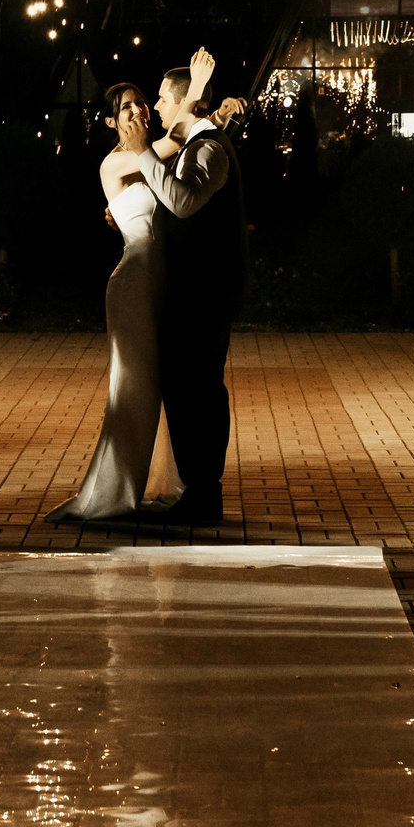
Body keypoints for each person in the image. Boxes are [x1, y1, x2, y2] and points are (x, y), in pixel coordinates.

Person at [121, 48, 247, 527]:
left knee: (198, 391)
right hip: (194, 293)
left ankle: (202, 493)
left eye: (160, 98)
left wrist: (142, 154)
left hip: (205, 295)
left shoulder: (210, 148)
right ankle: (199, 492)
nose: (155, 106)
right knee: (187, 388)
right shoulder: (199, 143)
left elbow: (181, 201)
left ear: (179, 104)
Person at [50, 82, 186, 522]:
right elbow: (178, 138)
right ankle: (113, 491)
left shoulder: (150, 156)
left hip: (160, 280)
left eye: (141, 103)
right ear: (111, 121)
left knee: (156, 387)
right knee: (133, 389)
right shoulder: (120, 160)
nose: (138, 110)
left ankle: (152, 480)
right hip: (133, 282)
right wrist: (203, 97)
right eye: (126, 108)